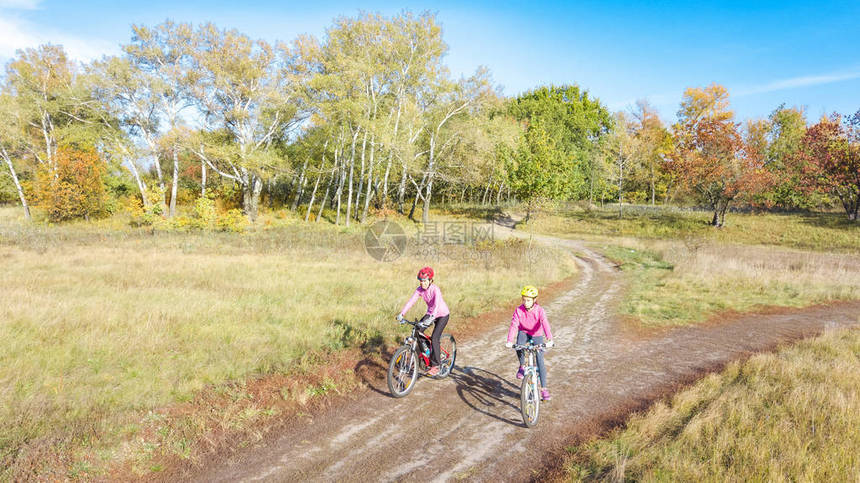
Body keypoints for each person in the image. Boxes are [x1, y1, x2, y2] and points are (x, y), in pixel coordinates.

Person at [396, 266, 450, 376]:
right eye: (420, 281)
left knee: (435, 337)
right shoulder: (419, 290)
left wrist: (431, 317)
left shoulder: (435, 289)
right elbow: (411, 301)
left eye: (424, 281)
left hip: (442, 315)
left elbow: (436, 305)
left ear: (430, 281)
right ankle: (428, 353)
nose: (422, 283)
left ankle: (436, 365)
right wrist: (402, 313)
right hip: (430, 314)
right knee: (418, 330)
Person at [505, 285, 554, 400]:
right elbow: (513, 325)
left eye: (528, 300)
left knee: (540, 360)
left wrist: (550, 339)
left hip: (537, 334)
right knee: (518, 345)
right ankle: (522, 366)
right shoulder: (519, 310)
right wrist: (509, 340)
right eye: (524, 300)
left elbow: (545, 323)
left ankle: (544, 389)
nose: (525, 302)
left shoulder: (540, 311)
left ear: (534, 300)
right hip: (523, 332)